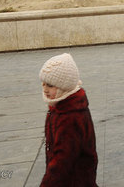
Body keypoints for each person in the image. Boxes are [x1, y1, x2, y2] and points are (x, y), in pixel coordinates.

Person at [39, 53, 98, 187]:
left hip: (74, 179)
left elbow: (62, 160)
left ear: (64, 87)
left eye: (50, 85)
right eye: (43, 84)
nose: (44, 89)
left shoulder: (70, 117)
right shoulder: (61, 107)